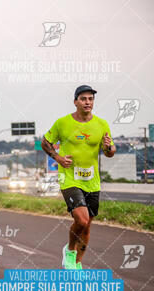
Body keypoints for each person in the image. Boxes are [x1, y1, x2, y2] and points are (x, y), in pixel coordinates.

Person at [41, 85, 116, 270]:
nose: (88, 102)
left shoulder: (102, 124)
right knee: (81, 220)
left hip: (92, 180)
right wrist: (57, 157)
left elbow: (110, 152)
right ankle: (70, 251)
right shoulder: (62, 123)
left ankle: (77, 264)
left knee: (87, 225)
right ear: (75, 102)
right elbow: (45, 142)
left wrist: (108, 147)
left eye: (90, 99)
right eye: (83, 99)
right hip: (69, 178)